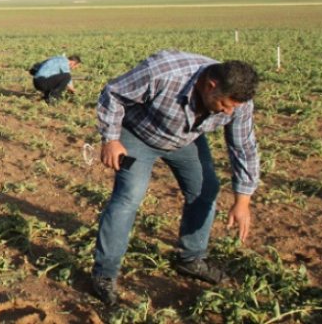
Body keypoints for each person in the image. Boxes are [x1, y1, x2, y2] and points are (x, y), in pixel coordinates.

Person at [90, 50, 260, 306]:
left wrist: (243, 200)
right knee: (128, 197)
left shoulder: (238, 103)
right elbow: (113, 93)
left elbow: (243, 146)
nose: (227, 113)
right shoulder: (164, 72)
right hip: (137, 135)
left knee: (206, 190)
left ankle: (190, 258)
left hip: (184, 140)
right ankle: (104, 274)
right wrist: (111, 139)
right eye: (224, 105)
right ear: (211, 85)